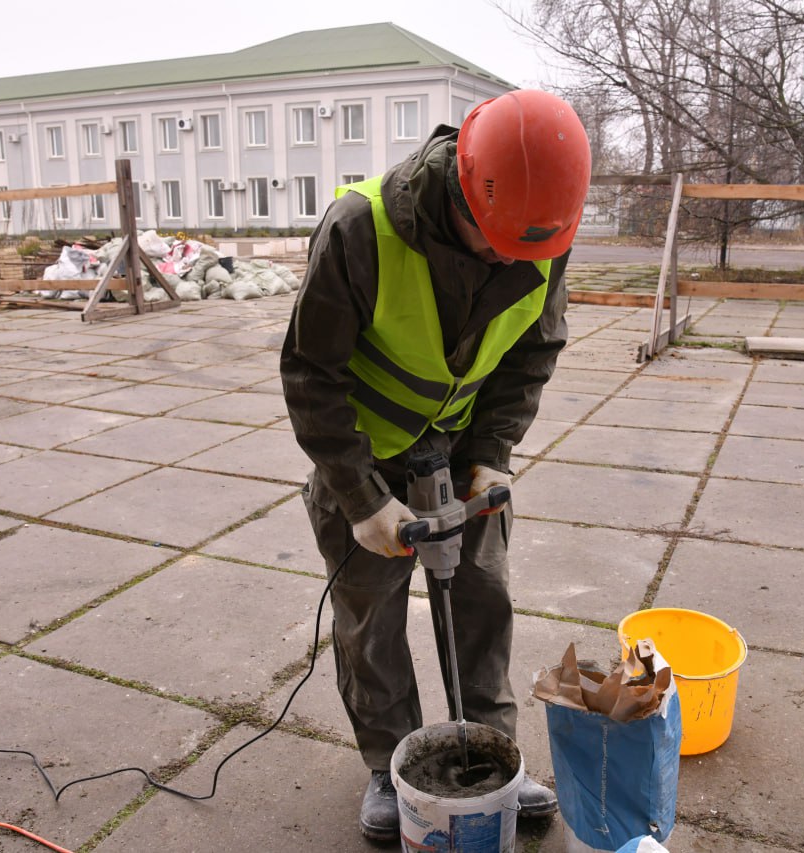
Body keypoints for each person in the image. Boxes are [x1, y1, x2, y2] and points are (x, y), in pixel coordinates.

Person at [280, 88, 591, 842]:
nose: (513, 259)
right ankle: (393, 769)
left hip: (460, 451)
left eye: (529, 249)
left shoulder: (539, 230)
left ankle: (495, 765)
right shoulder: (363, 229)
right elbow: (311, 372)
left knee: (482, 601)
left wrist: (490, 454)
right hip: (363, 454)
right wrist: (359, 498)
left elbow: (532, 351)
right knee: (370, 621)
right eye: (497, 244)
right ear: (460, 191)